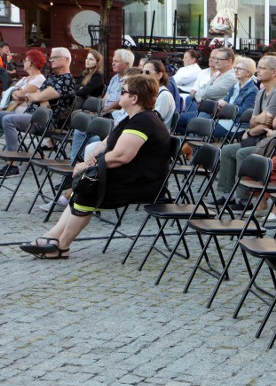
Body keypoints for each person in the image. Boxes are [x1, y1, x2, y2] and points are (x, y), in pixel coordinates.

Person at [19, 75, 172, 259]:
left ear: (134, 98)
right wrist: (90, 160)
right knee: (84, 185)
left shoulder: (144, 121)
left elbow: (122, 156)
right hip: (130, 175)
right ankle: (51, 237)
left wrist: (86, 167)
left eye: (123, 91)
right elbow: (107, 143)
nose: (119, 94)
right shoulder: (133, 118)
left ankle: (62, 246)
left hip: (143, 183)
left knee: (87, 187)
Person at [214, 56, 276, 206]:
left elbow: (270, 123)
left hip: (272, 142)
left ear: (273, 72)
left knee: (242, 153)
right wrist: (259, 120)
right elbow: (252, 120)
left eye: (261, 68)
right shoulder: (261, 92)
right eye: (258, 67)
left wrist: (250, 131)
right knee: (227, 150)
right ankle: (228, 195)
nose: (257, 71)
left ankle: (244, 199)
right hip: (260, 139)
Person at [0, 47, 76, 177]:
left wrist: (38, 97)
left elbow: (36, 96)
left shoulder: (67, 80)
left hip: (46, 122)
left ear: (66, 59)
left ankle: (12, 165)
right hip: (32, 115)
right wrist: (39, 98)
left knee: (8, 120)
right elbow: (37, 96)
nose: (51, 60)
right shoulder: (52, 77)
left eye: (54, 57)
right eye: (50, 57)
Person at [201, 56, 258, 139]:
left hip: (238, 125)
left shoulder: (252, 91)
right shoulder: (235, 86)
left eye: (240, 69)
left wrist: (226, 106)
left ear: (248, 73)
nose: (236, 71)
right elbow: (226, 102)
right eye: (235, 68)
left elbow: (245, 113)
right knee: (198, 123)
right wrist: (221, 104)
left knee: (202, 128)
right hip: (226, 120)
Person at [4, 50, 46, 114]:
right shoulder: (25, 79)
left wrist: (17, 93)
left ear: (31, 63)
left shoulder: (39, 79)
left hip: (25, 113)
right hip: (12, 110)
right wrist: (16, 93)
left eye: (25, 60)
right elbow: (11, 93)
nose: (24, 62)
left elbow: (21, 94)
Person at [142, 60, 176, 126]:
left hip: (155, 134)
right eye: (141, 72)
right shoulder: (148, 93)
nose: (143, 75)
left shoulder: (164, 95)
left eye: (147, 72)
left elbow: (153, 121)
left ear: (159, 75)